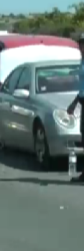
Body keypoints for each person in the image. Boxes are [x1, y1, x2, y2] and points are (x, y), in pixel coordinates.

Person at [67, 33, 84, 182]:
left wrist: (74, 103)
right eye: (81, 44)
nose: (82, 46)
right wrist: (75, 102)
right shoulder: (81, 61)